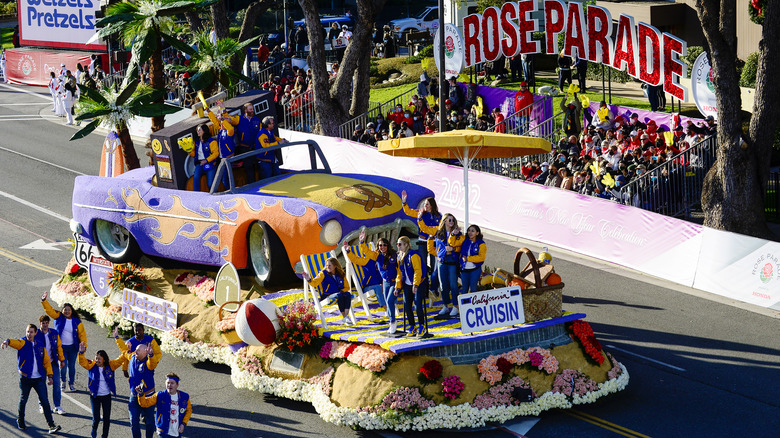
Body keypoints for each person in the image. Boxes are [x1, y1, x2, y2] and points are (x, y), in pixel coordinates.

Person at [2, 324, 62, 434]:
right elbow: (15, 342)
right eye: (27, 332)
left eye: (31, 332)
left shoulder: (40, 346)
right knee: (23, 400)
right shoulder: (23, 343)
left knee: (45, 401)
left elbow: (47, 362)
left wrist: (50, 376)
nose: (29, 334)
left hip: (39, 379)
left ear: (35, 333)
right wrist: (7, 341)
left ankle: (51, 425)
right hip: (26, 378)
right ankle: (20, 420)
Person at [41, 290, 86, 393]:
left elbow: (82, 334)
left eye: (68, 310)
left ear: (72, 311)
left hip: (73, 348)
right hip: (61, 348)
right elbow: (50, 310)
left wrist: (83, 344)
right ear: (62, 311)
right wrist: (44, 300)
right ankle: (63, 382)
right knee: (63, 366)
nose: (66, 311)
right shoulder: (58, 317)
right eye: (65, 310)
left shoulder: (77, 321)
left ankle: (71, 383)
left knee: (72, 367)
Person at [116, 328, 158, 438]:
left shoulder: (149, 364)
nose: (136, 351)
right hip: (134, 396)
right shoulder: (133, 357)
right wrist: (117, 338)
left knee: (149, 423)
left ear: (145, 353)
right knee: (133, 422)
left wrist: (151, 355)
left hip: (148, 396)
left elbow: (153, 363)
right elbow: (125, 351)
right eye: (136, 350)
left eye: (138, 350)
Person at [78, 342, 126, 438]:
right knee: (96, 419)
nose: (97, 360)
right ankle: (94, 429)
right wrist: (81, 352)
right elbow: (82, 362)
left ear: (104, 359)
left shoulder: (110, 365)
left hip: (106, 396)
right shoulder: (91, 365)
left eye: (99, 358)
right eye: (96, 358)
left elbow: (120, 360)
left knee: (106, 419)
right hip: (95, 396)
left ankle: (104, 436)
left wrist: (126, 350)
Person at [401, 190, 442, 292]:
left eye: (427, 204)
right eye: (424, 204)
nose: (425, 206)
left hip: (434, 242)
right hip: (423, 241)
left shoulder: (439, 215)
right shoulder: (421, 213)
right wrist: (404, 202)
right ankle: (423, 288)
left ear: (432, 205)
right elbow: (408, 211)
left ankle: (434, 288)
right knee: (423, 265)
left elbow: (440, 228)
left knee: (434, 266)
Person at [343, 231, 389, 319]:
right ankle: (386, 309)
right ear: (377, 248)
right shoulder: (369, 259)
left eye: (384, 245)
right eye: (380, 246)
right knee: (378, 287)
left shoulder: (385, 259)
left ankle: (390, 307)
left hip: (382, 284)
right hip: (369, 286)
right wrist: (348, 251)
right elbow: (355, 260)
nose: (382, 247)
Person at [136, 373, 192, 438]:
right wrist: (141, 394)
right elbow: (145, 403)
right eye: (168, 383)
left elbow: (189, 410)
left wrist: (183, 424)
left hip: (177, 432)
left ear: (177, 385)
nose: (169, 385)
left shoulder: (184, 397)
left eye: (172, 383)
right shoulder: (160, 395)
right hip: (163, 432)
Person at [302, 257, 354, 325]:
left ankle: (346, 316)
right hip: (328, 296)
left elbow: (347, 287)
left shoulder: (341, 274)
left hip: (339, 294)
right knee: (340, 295)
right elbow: (314, 283)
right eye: (326, 265)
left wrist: (342, 291)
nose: (327, 267)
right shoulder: (323, 274)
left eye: (329, 265)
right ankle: (345, 316)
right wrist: (309, 279)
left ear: (335, 266)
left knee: (347, 294)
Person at [431, 213, 465, 318]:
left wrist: (453, 249)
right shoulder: (438, 233)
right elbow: (437, 246)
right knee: (443, 285)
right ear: (444, 221)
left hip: (452, 261)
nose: (451, 222)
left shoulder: (458, 234)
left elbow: (460, 247)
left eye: (453, 220)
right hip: (442, 260)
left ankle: (455, 306)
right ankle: (445, 305)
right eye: (449, 220)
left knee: (453, 284)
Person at [395, 236, 429, 337]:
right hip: (407, 284)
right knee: (407, 306)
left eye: (400, 244)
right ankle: (412, 326)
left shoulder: (413, 255)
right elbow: (399, 273)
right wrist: (397, 287)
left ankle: (422, 326)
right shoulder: (399, 256)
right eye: (397, 244)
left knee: (417, 305)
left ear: (406, 245)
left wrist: (415, 284)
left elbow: (417, 271)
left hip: (418, 283)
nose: (398, 246)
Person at [35, 315, 65, 416]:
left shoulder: (54, 333)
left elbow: (59, 347)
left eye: (46, 323)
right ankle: (42, 404)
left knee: (56, 384)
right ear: (40, 323)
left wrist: (62, 359)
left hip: (52, 362)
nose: (45, 325)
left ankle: (57, 406)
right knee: (42, 385)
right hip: (41, 364)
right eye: (43, 323)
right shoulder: (36, 334)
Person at [236, 103, 262, 183]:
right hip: (245, 148)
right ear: (246, 110)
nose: (252, 111)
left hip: (255, 147)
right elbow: (229, 120)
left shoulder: (257, 120)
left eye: (252, 109)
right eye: (250, 109)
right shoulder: (239, 119)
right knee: (249, 168)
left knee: (259, 166)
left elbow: (261, 133)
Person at [189, 123, 219, 192]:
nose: (198, 132)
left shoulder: (211, 141)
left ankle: (214, 196)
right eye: (197, 130)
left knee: (210, 184)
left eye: (199, 130)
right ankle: (197, 196)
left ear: (204, 131)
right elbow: (194, 154)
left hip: (210, 163)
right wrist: (189, 150)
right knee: (196, 178)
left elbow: (216, 153)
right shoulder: (196, 142)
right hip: (199, 164)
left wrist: (206, 160)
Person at [460, 224, 487, 296]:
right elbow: (453, 243)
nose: (470, 233)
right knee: (464, 289)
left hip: (475, 269)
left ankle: (474, 305)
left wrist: (468, 258)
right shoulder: (464, 240)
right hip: (464, 269)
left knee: (473, 289)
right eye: (469, 231)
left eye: (472, 231)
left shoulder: (481, 244)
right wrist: (454, 234)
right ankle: (463, 306)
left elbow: (481, 257)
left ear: (477, 233)